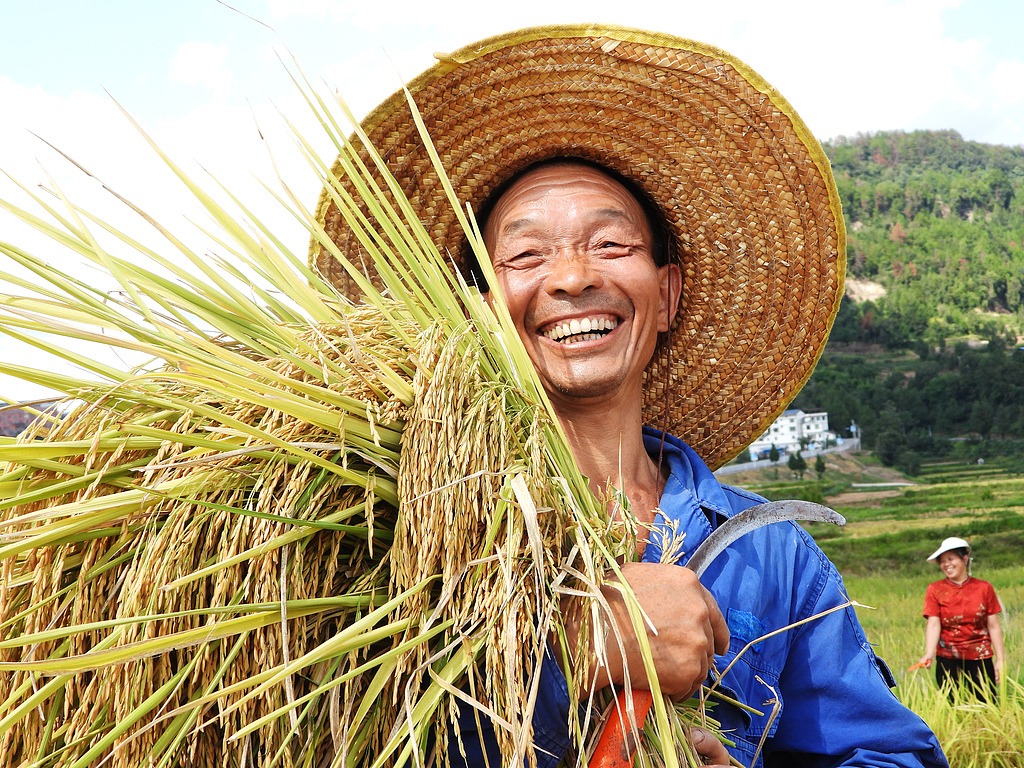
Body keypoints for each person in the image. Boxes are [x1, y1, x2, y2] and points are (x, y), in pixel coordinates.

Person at [312, 25, 948, 768]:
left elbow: (891, 756)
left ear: (668, 293)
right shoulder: (394, 531)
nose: (574, 276)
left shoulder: (772, 554)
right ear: (481, 312)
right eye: (525, 255)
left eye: (611, 245)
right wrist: (570, 644)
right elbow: (322, 729)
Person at [918, 537, 1005, 702]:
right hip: (948, 656)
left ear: (964, 559)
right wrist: (929, 653)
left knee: (985, 704)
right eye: (942, 561)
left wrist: (1000, 660)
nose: (946, 564)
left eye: (951, 559)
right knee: (951, 705)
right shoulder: (935, 589)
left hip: (980, 655)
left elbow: (993, 626)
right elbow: (934, 624)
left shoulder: (983, 588)